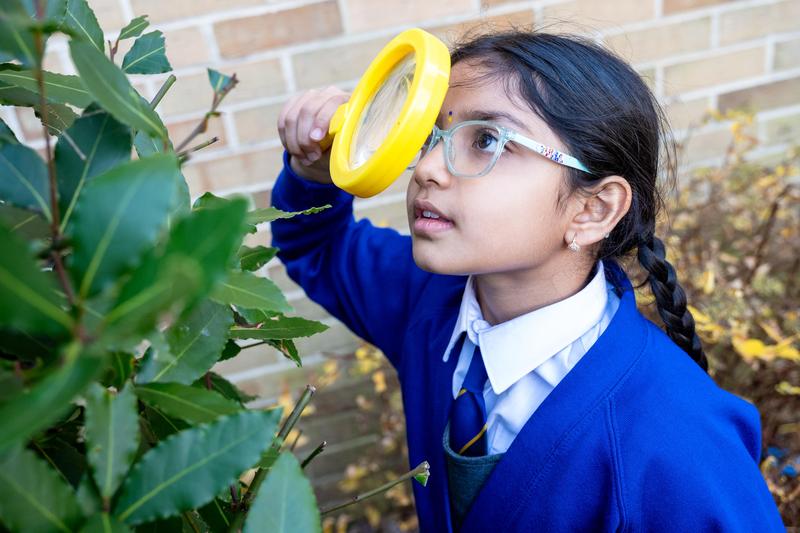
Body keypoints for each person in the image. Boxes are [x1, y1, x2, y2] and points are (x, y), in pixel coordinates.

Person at [271, 28, 785, 532]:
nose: (427, 167)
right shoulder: (427, 303)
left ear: (593, 209)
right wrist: (312, 173)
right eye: (432, 138)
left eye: (487, 140)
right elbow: (317, 246)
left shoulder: (679, 441)